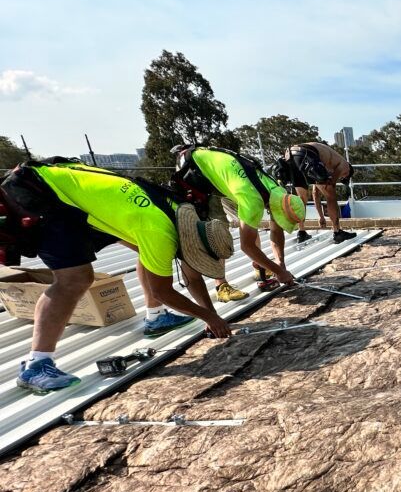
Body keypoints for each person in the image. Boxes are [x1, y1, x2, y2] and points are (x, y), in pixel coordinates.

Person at [0, 160, 233, 394]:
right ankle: (37, 364)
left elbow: (191, 275)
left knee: (145, 250)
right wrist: (208, 317)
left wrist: (210, 315)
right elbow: (162, 290)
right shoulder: (159, 233)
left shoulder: (180, 212)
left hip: (89, 201)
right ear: (191, 245)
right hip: (45, 198)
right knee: (75, 279)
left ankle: (156, 317)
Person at [173, 145, 305, 291]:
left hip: (228, 178)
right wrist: (280, 273)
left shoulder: (278, 191)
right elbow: (246, 246)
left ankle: (260, 265)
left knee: (250, 225)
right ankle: (221, 286)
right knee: (217, 231)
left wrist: (280, 263)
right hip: (195, 170)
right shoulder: (253, 201)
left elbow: (276, 230)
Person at [276, 142, 356, 244]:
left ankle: (302, 232)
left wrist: (321, 217)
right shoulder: (345, 166)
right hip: (306, 154)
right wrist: (332, 182)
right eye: (343, 177)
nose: (341, 177)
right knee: (331, 196)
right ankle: (338, 232)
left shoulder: (324, 164)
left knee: (301, 199)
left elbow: (315, 193)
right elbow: (330, 187)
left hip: (291, 156)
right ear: (348, 173)